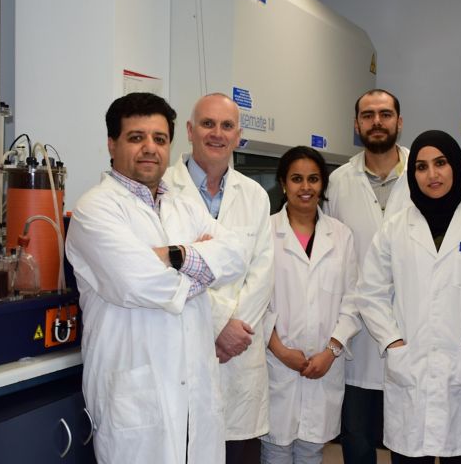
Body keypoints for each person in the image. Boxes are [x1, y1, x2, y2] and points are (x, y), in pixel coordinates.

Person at [66, 92, 251, 463]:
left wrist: (173, 255)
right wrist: (201, 266)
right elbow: (142, 284)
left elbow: (236, 256)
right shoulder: (95, 211)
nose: (150, 148)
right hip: (136, 400)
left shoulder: (183, 205)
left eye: (159, 139)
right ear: (111, 144)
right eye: (136, 137)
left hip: (193, 398)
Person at [355, 130, 461, 463]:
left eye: (441, 163)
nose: (432, 174)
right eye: (421, 167)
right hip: (411, 368)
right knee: (409, 455)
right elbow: (370, 293)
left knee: (459, 455)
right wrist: (393, 343)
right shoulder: (394, 229)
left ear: (456, 168)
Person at [164, 93, 274, 462]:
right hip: (187, 350)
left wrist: (233, 329)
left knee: (240, 451)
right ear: (190, 131)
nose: (217, 133)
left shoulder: (255, 196)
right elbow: (167, 272)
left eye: (227, 126)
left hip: (240, 354)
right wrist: (218, 327)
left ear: (238, 135)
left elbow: (262, 272)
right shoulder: (161, 191)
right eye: (208, 124)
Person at [323, 89, 411, 464]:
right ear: (357, 125)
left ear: (399, 122)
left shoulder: (425, 175)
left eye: (385, 114)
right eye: (368, 115)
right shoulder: (338, 182)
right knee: (357, 436)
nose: (377, 122)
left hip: (410, 325)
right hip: (356, 331)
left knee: (410, 434)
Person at [260, 146, 361, 463]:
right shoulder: (264, 232)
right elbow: (253, 300)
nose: (306, 187)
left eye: (313, 179)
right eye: (297, 179)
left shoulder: (341, 236)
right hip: (276, 364)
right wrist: (279, 350)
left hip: (323, 364)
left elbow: (353, 300)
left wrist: (331, 352)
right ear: (283, 183)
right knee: (275, 450)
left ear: (323, 184)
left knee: (311, 452)